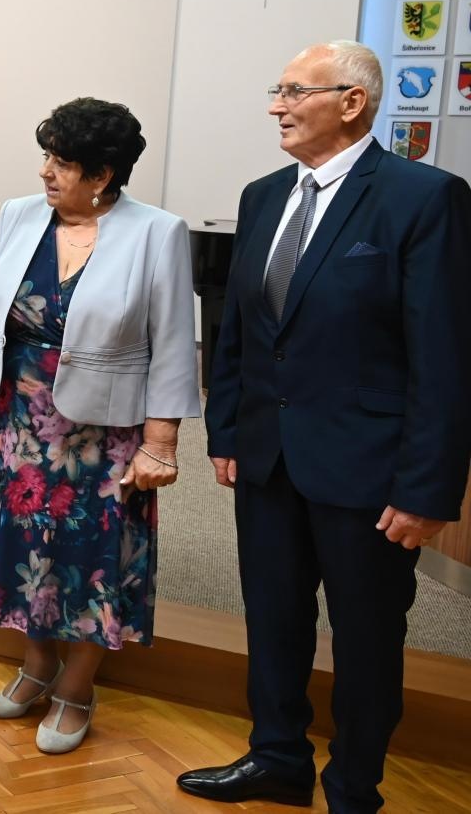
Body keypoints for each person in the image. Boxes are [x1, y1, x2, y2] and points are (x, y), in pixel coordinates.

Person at [178, 41, 471, 813]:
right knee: (274, 621)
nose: (277, 106)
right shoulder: (261, 195)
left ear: (352, 102)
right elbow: (240, 330)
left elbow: (443, 358)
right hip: (268, 462)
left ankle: (353, 787)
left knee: (368, 641)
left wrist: (428, 489)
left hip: (370, 473)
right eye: (276, 91)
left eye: (294, 92)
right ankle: (276, 758)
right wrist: (228, 433)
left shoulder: (422, 198)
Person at [0, 98, 199, 753]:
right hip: (18, 418)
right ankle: (37, 665)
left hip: (102, 432)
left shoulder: (157, 232)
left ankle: (78, 685)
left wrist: (162, 441)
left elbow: (174, 341)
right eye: (47, 157)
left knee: (89, 558)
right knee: (22, 547)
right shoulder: (19, 214)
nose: (46, 173)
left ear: (103, 174)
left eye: (63, 163)